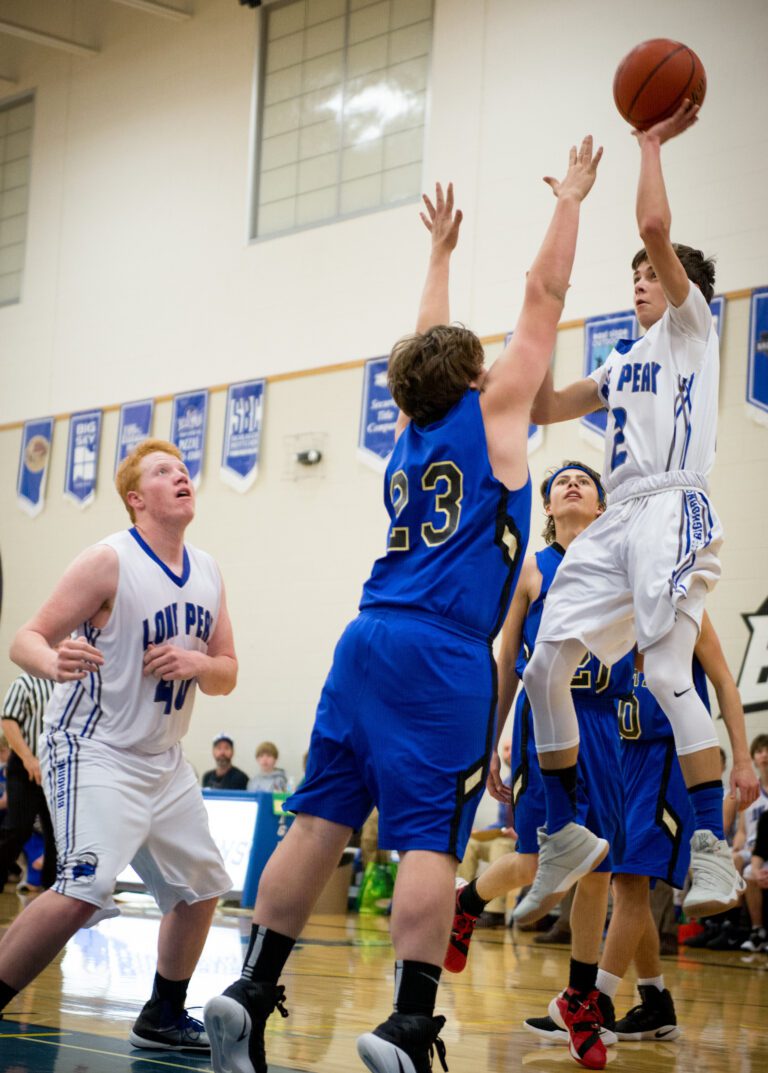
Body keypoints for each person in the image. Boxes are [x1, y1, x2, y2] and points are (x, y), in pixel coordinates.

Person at [203, 140, 603, 1073]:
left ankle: (249, 989)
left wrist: (438, 255)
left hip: (366, 637)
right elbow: (544, 295)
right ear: (473, 377)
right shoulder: (494, 414)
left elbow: (425, 342)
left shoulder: (414, 427)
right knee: (429, 838)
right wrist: (571, 200)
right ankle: (408, 1025)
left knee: (317, 821)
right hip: (442, 650)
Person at [514, 100, 745, 926]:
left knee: (668, 673)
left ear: (683, 288)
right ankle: (564, 831)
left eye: (652, 272)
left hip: (672, 501)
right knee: (545, 665)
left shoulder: (691, 328)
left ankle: (712, 843)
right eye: (637, 275)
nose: (641, 279)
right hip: (618, 520)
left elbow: (653, 224)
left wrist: (649, 144)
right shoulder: (621, 362)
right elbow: (542, 405)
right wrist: (543, 305)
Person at [0, 438, 237, 1053]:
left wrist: (197, 663)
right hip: (93, 747)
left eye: (183, 469)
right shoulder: (108, 560)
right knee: (82, 888)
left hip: (164, 759)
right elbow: (26, 638)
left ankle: (162, 1014)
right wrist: (52, 662)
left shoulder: (208, 570)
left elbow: (227, 673)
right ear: (136, 499)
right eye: (163, 471)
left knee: (202, 887)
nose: (181, 476)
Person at [445, 461, 634, 1070]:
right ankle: (467, 902)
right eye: (560, 483)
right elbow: (506, 663)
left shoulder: (623, 564)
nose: (572, 485)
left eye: (585, 481)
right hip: (542, 721)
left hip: (602, 724)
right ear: (548, 507)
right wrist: (492, 739)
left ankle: (579, 1000)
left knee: (598, 867)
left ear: (602, 506)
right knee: (534, 860)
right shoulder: (531, 569)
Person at [523, 613, 757, 1062]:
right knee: (623, 882)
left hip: (671, 758)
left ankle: (594, 1002)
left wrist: (742, 760)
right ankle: (655, 1002)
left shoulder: (683, 605)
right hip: (624, 755)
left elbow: (725, 683)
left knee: (630, 882)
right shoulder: (617, 607)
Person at [0, 671, 57, 892]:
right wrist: (28, 758)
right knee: (18, 828)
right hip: (25, 766)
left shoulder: (71, 685)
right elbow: (8, 721)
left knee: (57, 836)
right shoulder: (26, 682)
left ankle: (51, 890)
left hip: (57, 769)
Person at [454, 737, 515, 927]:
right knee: (470, 845)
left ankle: (494, 912)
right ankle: (460, 902)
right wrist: (481, 832)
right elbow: (502, 822)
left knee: (501, 845)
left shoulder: (531, 779)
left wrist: (521, 834)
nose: (508, 754)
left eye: (511, 749)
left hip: (524, 841)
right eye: (505, 749)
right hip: (506, 835)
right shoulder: (506, 781)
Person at [734, 734, 768, 951]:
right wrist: (736, 845)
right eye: (759, 751)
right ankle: (738, 924)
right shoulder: (749, 792)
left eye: (767, 750)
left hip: (764, 852)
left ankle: (745, 925)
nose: (764, 755)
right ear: (754, 758)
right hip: (751, 849)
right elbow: (741, 831)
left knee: (749, 871)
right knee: (733, 859)